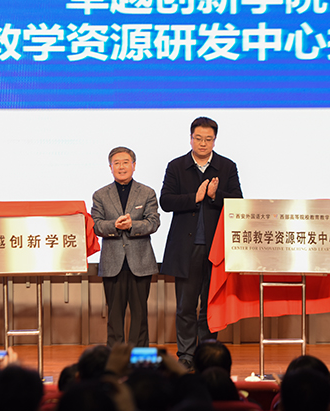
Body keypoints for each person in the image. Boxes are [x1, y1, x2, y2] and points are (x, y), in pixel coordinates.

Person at [160, 117, 243, 369]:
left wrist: (215, 195)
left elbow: (238, 201)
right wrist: (193, 198)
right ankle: (186, 355)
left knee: (211, 304)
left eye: (208, 139)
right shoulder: (176, 166)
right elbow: (166, 201)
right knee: (185, 306)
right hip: (186, 248)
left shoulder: (226, 166)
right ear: (190, 139)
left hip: (215, 248)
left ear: (214, 140)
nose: (203, 143)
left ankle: (207, 354)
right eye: (198, 138)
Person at [92, 147, 160, 347]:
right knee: (114, 316)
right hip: (112, 263)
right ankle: (115, 356)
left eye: (125, 162)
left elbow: (153, 222)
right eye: (117, 163)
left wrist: (132, 226)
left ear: (134, 165)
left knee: (140, 316)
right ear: (110, 167)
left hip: (140, 262)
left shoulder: (147, 192)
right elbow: (96, 225)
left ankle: (139, 358)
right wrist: (114, 225)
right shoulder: (100, 195)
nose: (121, 167)